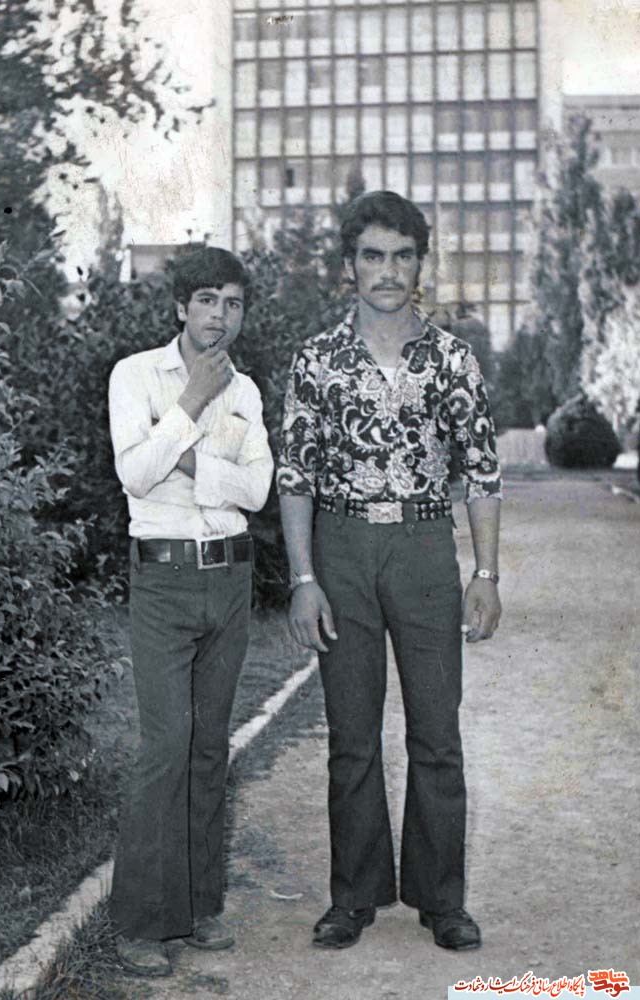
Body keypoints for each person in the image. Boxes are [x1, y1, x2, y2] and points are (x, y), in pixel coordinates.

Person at [277, 191, 502, 953]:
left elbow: (482, 473)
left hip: (423, 547)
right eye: (373, 255)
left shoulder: (452, 360)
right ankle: (353, 896)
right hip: (341, 549)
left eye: (402, 256)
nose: (387, 271)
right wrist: (303, 579)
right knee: (352, 733)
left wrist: (487, 573)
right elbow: (296, 476)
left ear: (419, 264)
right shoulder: (317, 360)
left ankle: (443, 900)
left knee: (437, 731)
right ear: (350, 264)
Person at [108, 247, 273, 976]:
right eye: (207, 299)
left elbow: (258, 490)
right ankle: (142, 922)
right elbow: (136, 473)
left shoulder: (249, 391)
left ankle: (200, 906)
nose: (219, 316)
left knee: (210, 746)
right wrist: (192, 404)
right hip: (164, 581)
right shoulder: (135, 376)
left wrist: (188, 460)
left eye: (232, 303)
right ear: (181, 306)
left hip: (229, 579)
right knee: (165, 744)